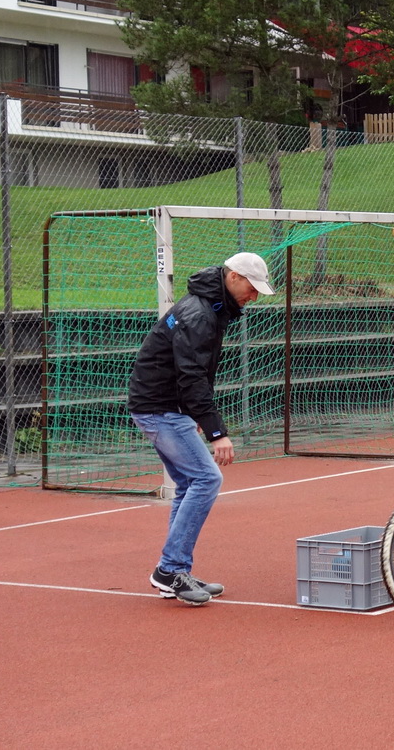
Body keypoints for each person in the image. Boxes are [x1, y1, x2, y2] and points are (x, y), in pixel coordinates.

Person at [128, 251, 274, 606]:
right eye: (252, 288)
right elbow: (191, 375)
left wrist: (193, 414)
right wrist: (216, 432)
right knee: (207, 479)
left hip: (163, 405)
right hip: (160, 408)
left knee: (188, 484)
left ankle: (174, 572)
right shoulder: (200, 314)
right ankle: (169, 570)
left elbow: (192, 373)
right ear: (234, 276)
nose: (253, 297)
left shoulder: (210, 307)